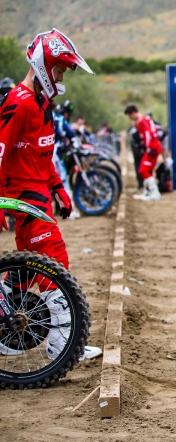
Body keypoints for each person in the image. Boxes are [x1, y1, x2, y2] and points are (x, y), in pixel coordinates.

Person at [0, 29, 100, 361]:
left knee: (25, 271)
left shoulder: (42, 103)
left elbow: (44, 153)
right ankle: (63, 345)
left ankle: (5, 331)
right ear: (44, 64)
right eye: (58, 69)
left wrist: (58, 188)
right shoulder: (19, 102)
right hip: (24, 197)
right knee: (56, 264)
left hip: (40, 194)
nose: (60, 77)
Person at [125, 105, 162, 201]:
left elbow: (148, 134)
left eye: (129, 116)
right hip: (153, 147)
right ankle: (147, 192)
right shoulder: (145, 119)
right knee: (146, 170)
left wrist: (146, 146)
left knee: (143, 170)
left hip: (152, 148)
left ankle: (154, 193)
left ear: (132, 113)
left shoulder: (142, 121)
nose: (130, 119)